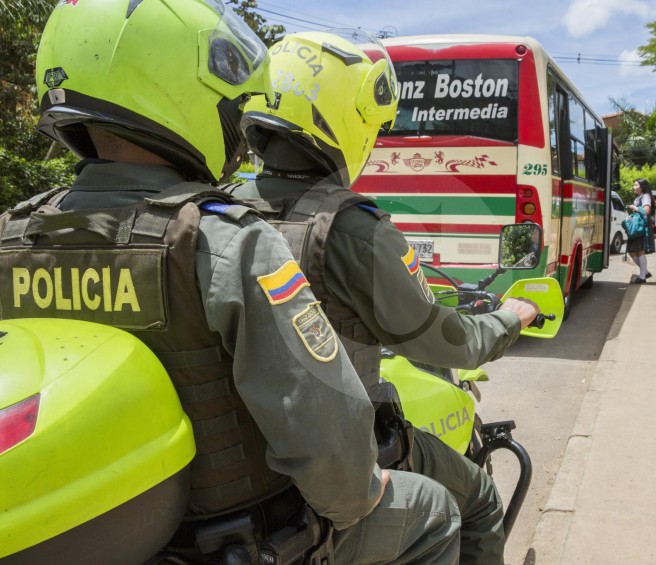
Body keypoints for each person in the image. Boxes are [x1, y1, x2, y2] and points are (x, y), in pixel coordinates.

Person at [0, 2, 460, 563]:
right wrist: (363, 492)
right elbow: (326, 442)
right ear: (170, 85)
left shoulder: (14, 235)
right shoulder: (221, 241)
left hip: (75, 534)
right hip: (249, 540)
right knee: (438, 511)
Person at [229, 30, 541, 564]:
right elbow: (443, 342)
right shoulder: (350, 228)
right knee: (480, 500)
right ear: (346, 118)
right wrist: (507, 320)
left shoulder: (223, 208)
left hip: (245, 454)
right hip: (340, 456)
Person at [626, 178, 655, 284]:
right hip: (638, 226)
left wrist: (635, 208)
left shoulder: (645, 196)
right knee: (633, 251)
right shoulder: (639, 197)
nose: (633, 187)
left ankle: (642, 277)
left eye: (635, 185)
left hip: (641, 227)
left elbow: (647, 211)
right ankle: (645, 272)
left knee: (640, 251)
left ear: (642, 187)